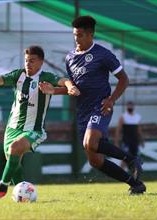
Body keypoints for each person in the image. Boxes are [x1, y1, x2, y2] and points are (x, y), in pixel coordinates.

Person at [40, 16, 146, 194]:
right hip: (83, 111)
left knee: (90, 142)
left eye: (80, 35)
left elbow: (124, 79)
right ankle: (135, 184)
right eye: (74, 35)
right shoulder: (70, 58)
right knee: (95, 160)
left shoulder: (103, 54)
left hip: (101, 105)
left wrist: (111, 100)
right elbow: (74, 89)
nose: (76, 38)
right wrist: (54, 91)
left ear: (90, 35)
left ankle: (132, 159)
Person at [0, 45, 80, 199]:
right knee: (14, 163)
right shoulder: (18, 75)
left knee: (15, 147)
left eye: (32, 61)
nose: (28, 64)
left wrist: (71, 86)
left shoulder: (46, 77)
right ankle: (23, 196)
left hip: (34, 129)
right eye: (26, 60)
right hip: (12, 129)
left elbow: (64, 80)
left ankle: (2, 186)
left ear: (41, 62)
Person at [114, 101, 144, 170]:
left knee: (136, 160)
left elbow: (139, 130)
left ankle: (135, 177)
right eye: (129, 106)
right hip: (126, 142)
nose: (130, 107)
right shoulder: (123, 117)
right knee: (124, 160)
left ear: (133, 107)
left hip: (135, 142)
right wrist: (116, 142)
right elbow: (118, 130)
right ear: (126, 107)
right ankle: (120, 175)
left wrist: (142, 140)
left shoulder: (137, 117)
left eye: (131, 106)